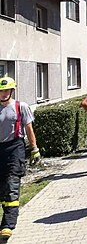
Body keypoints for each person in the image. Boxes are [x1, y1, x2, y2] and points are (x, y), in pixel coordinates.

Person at [0, 77, 40, 240]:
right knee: (3, 186)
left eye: (6, 91)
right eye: (1, 91)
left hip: (15, 147)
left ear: (12, 91)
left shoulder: (20, 107)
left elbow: (29, 129)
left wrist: (34, 149)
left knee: (11, 185)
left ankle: (8, 224)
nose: (3, 94)